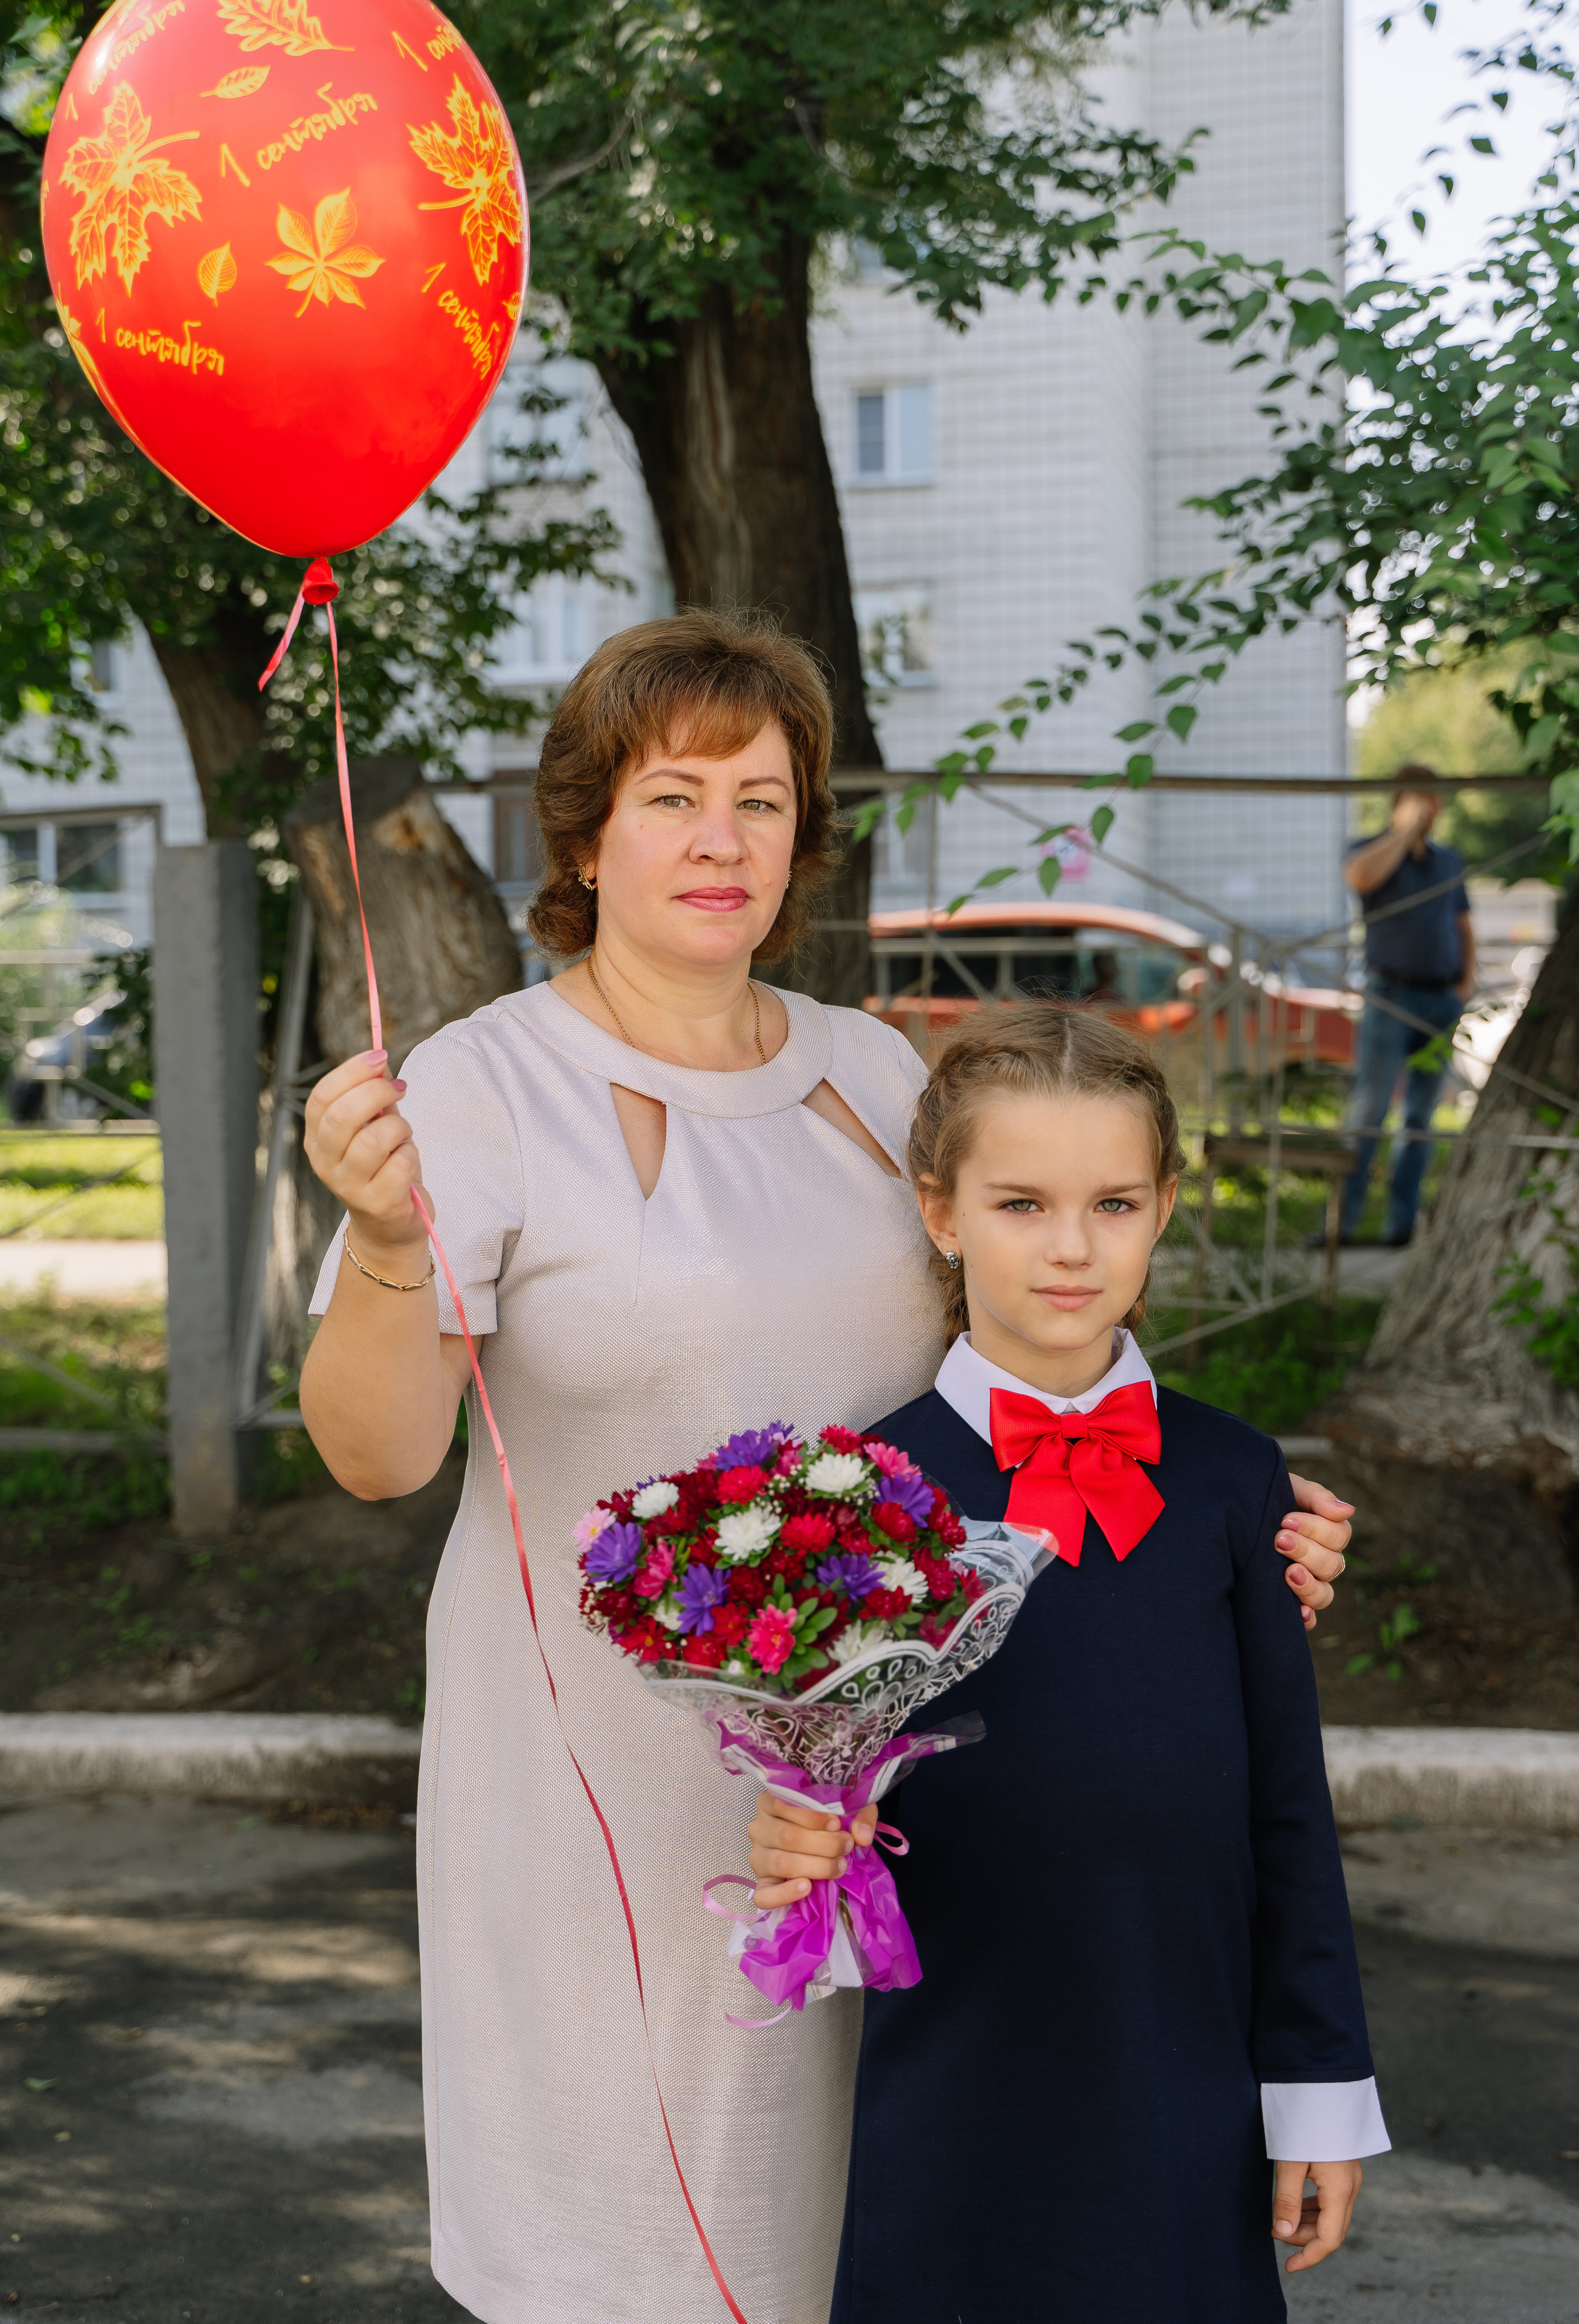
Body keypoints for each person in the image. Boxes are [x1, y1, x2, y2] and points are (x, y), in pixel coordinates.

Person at [299, 609, 1355, 2324]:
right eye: (673, 796)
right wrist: (387, 1245)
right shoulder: (483, 1086)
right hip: (610, 1797)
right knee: (633, 2253)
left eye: (764, 799)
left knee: (888, 2235)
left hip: (907, 1797)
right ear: (586, 833)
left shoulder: (875, 1073)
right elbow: (378, 1453)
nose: (723, 839)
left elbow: (1005, 1394)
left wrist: (1216, 1541)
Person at [751, 1004, 1385, 2324]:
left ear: (1160, 1210)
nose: (1068, 1247)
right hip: (957, 2062)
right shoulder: (867, 1492)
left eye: (1110, 1203)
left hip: (1181, 2059)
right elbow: (821, 1794)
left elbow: (1285, 1806)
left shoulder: (1231, 1478)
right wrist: (804, 1842)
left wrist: (1316, 2087)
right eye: (1020, 1203)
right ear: (940, 1212)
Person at [1333, 763, 1475, 1247]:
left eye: (1436, 800)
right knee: (1370, 1110)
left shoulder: (1448, 861)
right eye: (1422, 798)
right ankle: (1342, 1224)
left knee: (1420, 1117)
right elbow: (1361, 878)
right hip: (1389, 994)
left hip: (1441, 998)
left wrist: (1464, 985)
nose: (1431, 809)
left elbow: (1462, 924)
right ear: (1399, 801)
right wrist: (1403, 832)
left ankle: (1402, 1224)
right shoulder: (1368, 849)